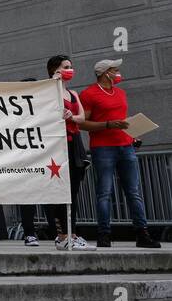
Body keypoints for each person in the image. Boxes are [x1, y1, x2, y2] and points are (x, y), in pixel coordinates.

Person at [76, 59, 160, 249]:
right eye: (115, 70)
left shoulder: (120, 93)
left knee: (134, 192)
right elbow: (81, 124)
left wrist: (133, 136)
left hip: (126, 146)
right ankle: (104, 235)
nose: (118, 73)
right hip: (103, 148)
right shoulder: (89, 94)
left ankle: (142, 234)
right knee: (104, 193)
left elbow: (123, 121)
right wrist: (107, 124)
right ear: (105, 73)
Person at [45, 55, 92, 250]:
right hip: (57, 146)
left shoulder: (73, 93)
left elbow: (81, 117)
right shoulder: (48, 92)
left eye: (71, 66)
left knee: (73, 191)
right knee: (60, 191)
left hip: (74, 144)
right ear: (55, 70)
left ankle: (71, 234)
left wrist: (72, 116)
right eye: (66, 67)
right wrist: (53, 84)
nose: (70, 70)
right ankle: (63, 235)